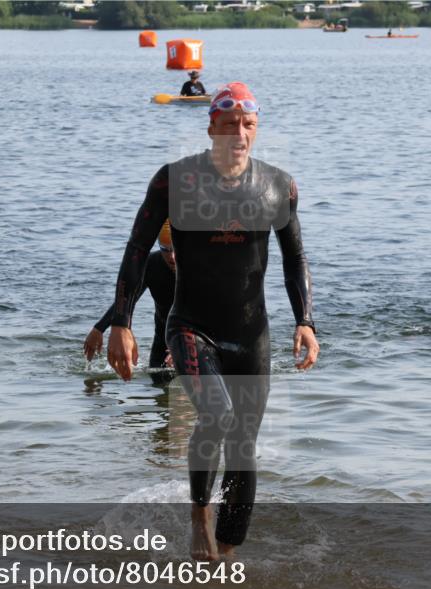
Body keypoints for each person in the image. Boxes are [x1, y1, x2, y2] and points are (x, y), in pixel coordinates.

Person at [107, 82, 319, 561]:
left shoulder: (277, 185)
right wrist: (121, 322)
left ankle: (226, 554)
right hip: (191, 326)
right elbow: (138, 248)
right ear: (211, 129)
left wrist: (305, 320)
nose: (238, 135)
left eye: (248, 125)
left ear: (256, 129)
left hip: (251, 334)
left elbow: (294, 257)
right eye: (229, 126)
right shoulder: (175, 181)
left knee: (243, 445)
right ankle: (199, 516)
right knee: (217, 416)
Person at [85, 220, 177, 382]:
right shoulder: (152, 264)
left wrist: (183, 344)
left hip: (198, 340)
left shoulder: (200, 268)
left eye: (176, 249)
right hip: (162, 341)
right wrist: (99, 329)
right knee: (160, 390)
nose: (171, 256)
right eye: (165, 250)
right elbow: (127, 300)